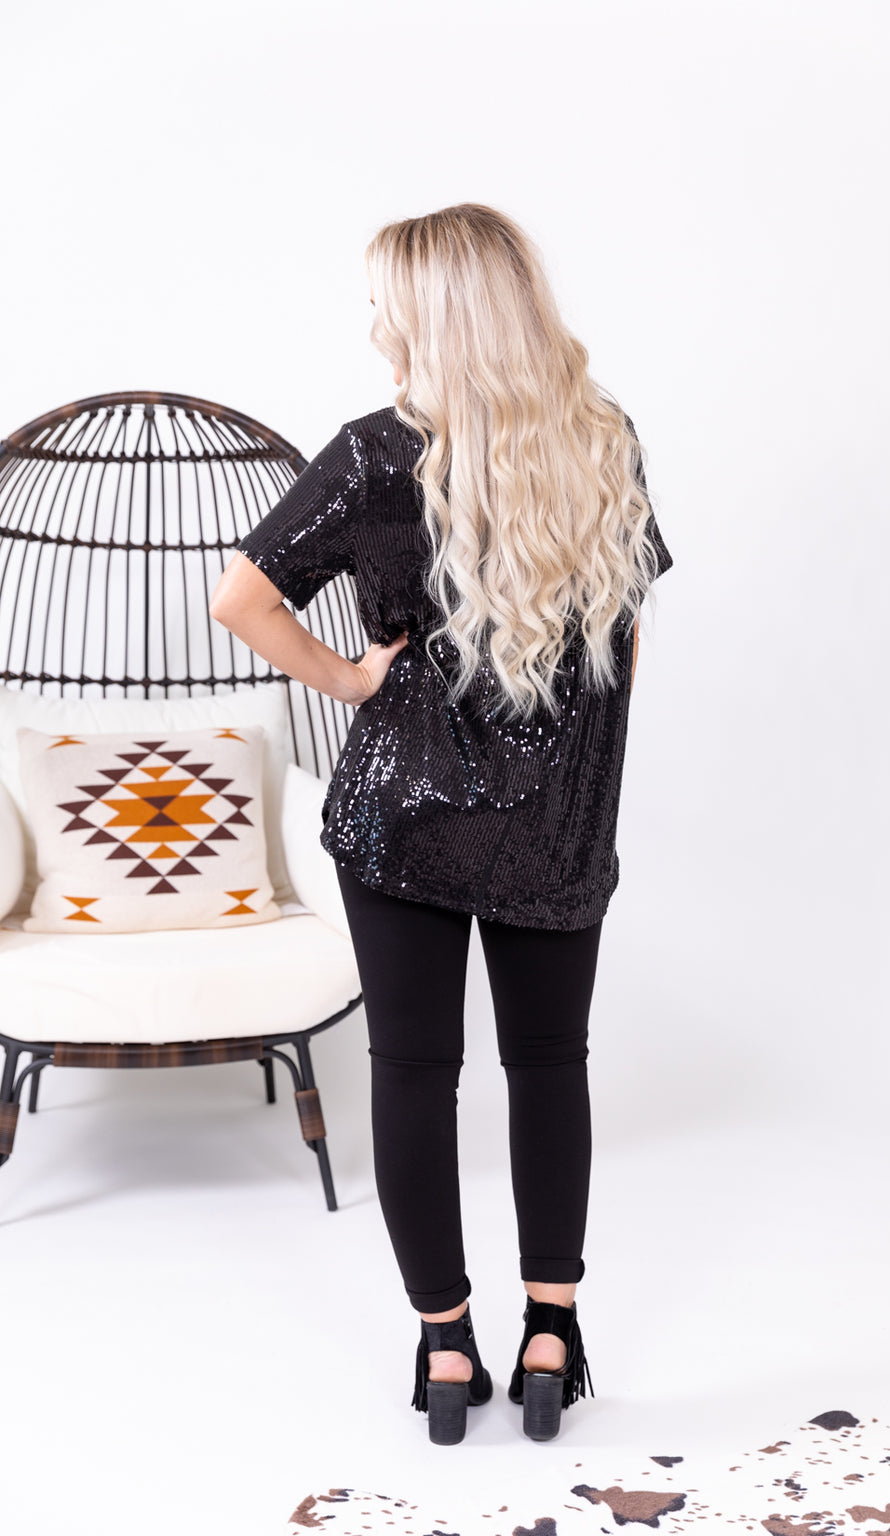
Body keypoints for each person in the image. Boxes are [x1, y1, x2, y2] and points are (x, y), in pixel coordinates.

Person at [209, 203, 673, 1446]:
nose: (374, 324)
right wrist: (570, 776)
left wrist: (351, 680)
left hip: (400, 817)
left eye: (385, 302)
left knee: (415, 1075)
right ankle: (550, 1333)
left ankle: (447, 1347)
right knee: (550, 1065)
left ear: (431, 315)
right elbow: (626, 644)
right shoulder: (604, 440)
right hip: (557, 823)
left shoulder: (374, 457)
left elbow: (238, 598)